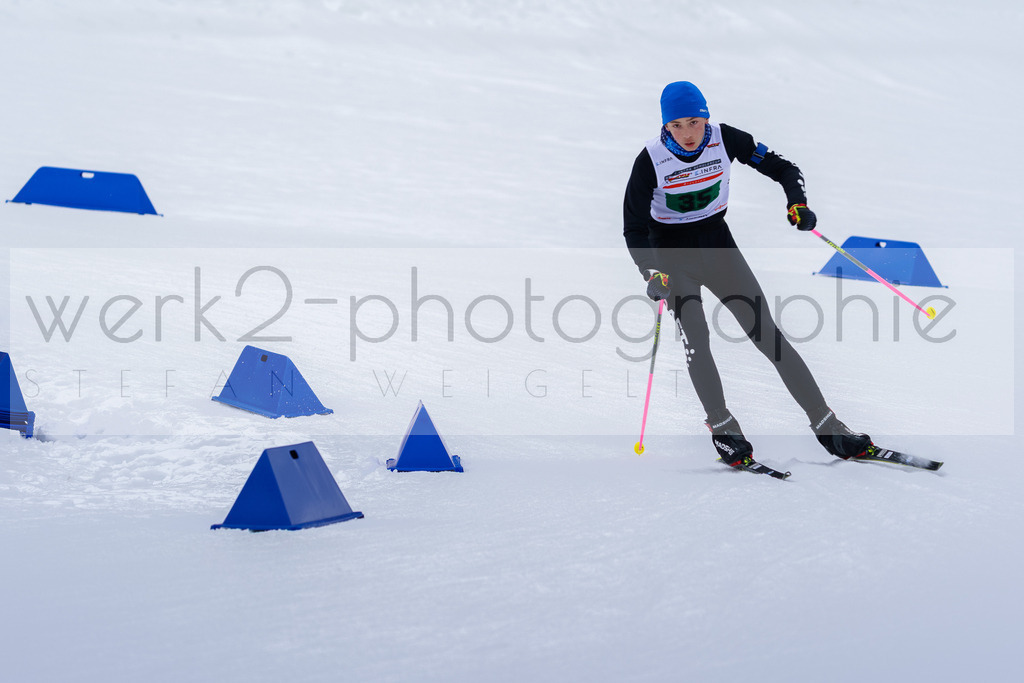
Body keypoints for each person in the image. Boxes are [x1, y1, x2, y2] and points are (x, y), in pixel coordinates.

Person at [622, 80, 871, 470]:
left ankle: (830, 429)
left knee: (767, 335)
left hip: (718, 248)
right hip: (671, 259)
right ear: (665, 127)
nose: (687, 133)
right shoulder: (650, 160)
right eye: (677, 126)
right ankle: (725, 432)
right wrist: (650, 270)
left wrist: (797, 204)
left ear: (705, 116)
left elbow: (784, 169)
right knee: (697, 340)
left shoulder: (726, 139)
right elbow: (633, 227)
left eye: (694, 121)